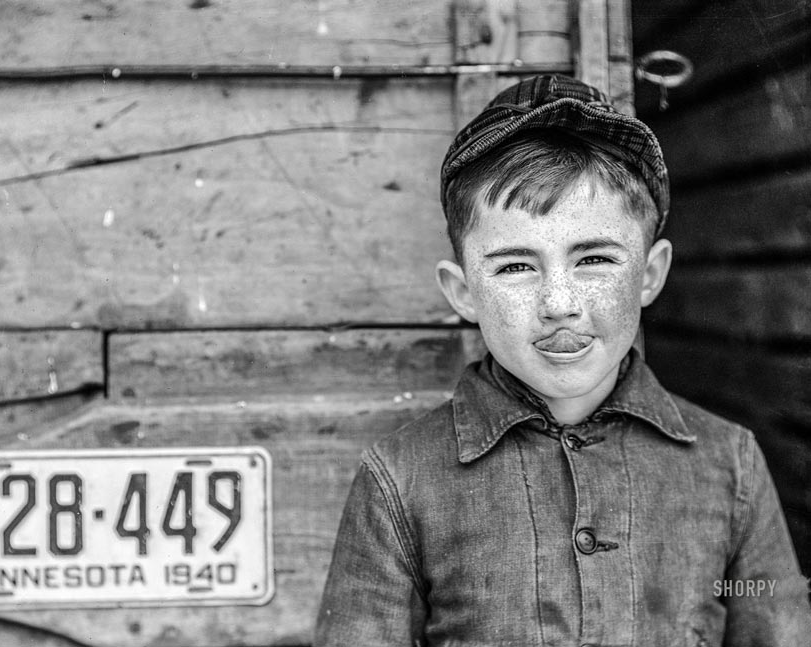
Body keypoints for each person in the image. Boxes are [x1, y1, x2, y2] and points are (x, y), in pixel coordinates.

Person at [314, 74, 811, 645]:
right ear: (463, 292)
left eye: (595, 259)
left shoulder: (732, 466)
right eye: (515, 267)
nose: (559, 304)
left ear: (650, 274)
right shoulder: (399, 481)